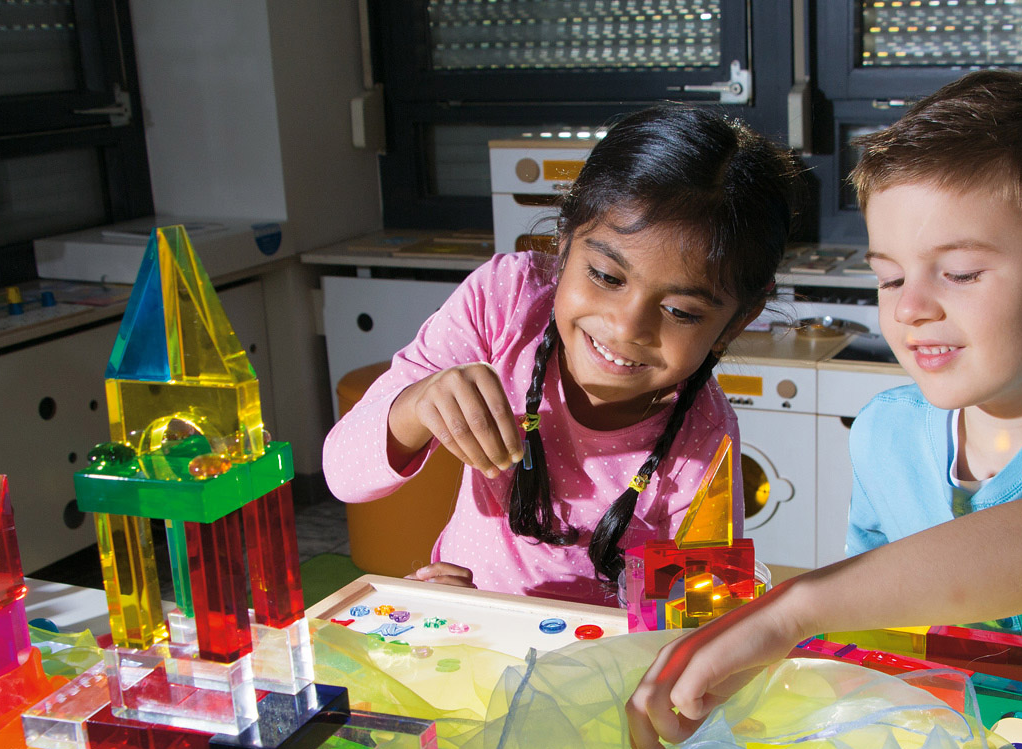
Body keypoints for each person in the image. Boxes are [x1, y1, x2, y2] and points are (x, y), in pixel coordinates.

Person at [628, 71, 1022, 749]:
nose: (909, 308)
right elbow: (880, 621)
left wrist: (794, 610)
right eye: (890, 276)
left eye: (961, 273)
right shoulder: (887, 432)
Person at [323, 103, 797, 606]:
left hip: (589, 671)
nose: (626, 328)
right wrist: (416, 406)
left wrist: (577, 627)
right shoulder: (504, 303)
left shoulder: (702, 439)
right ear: (565, 240)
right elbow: (343, 473)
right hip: (467, 633)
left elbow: (700, 616)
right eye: (606, 277)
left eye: (680, 310)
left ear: (738, 320)